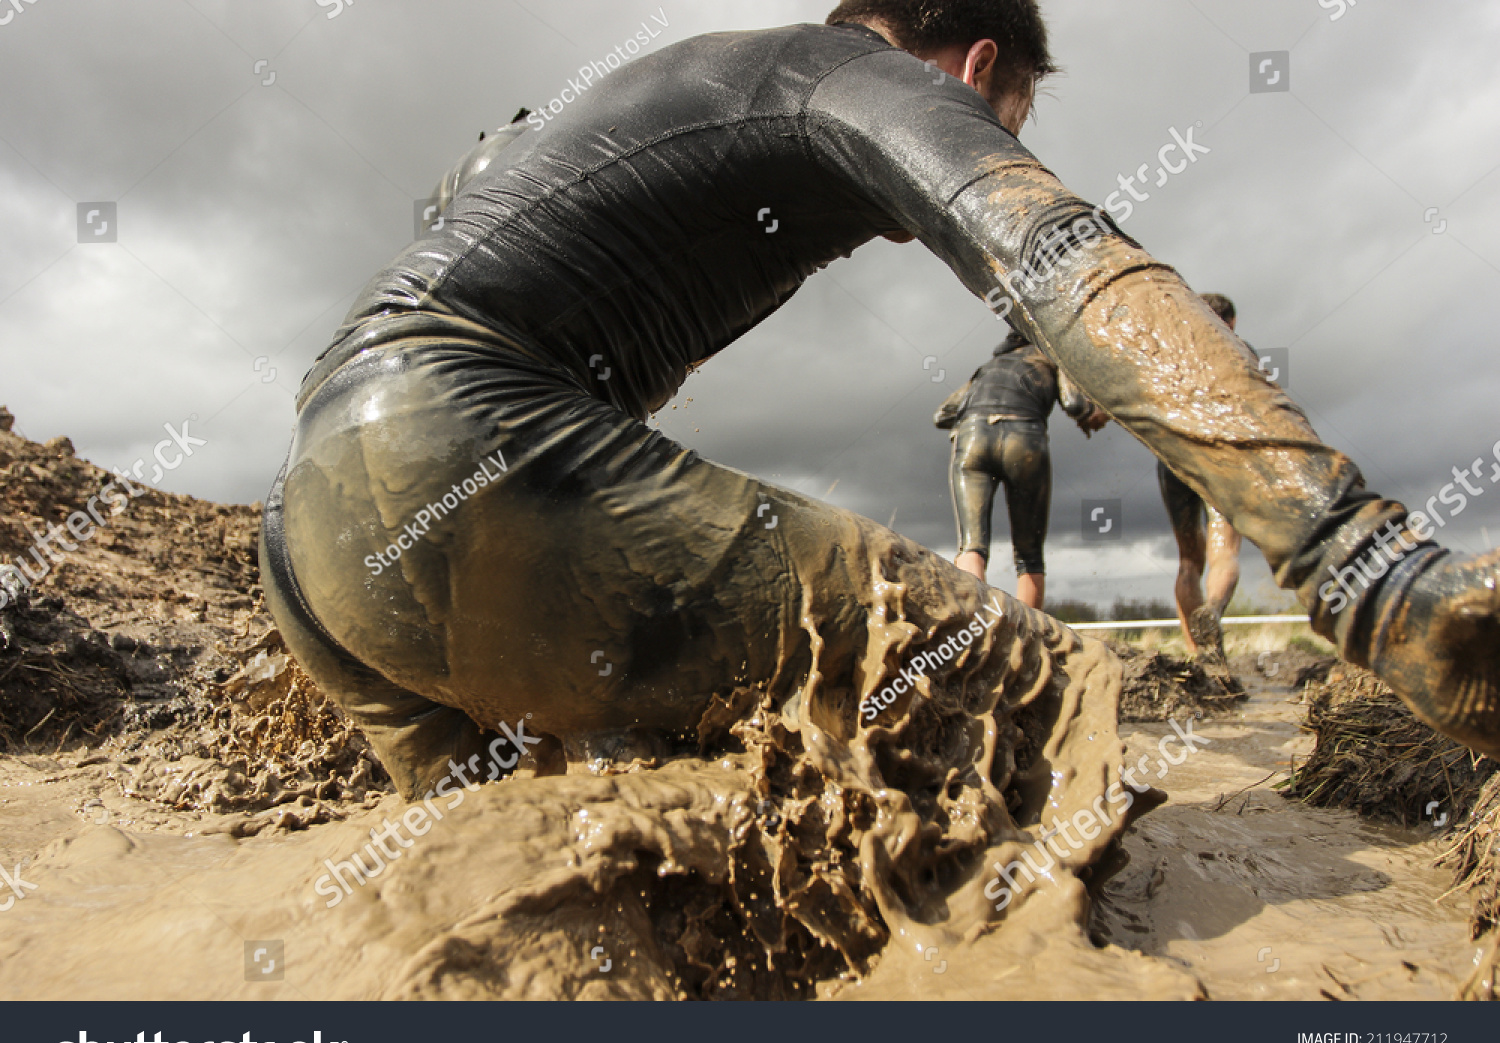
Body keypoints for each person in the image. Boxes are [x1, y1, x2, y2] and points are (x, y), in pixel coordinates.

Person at [261, 0, 1500, 807]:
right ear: (970, 70)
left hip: (308, 538)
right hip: (464, 443)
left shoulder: (673, 84)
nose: (990, 137)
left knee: (515, 860)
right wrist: (1371, 572)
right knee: (1026, 681)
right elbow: (1068, 258)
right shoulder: (845, 72)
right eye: (1002, 117)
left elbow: (457, 199)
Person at [937, 330, 1105, 606]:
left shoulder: (987, 368)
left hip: (973, 437)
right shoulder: (1049, 357)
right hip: (1024, 438)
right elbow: (1075, 403)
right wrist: (1093, 414)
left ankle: (977, 631)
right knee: (1029, 556)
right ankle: (1028, 640)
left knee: (972, 547)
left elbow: (942, 414)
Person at [1157, 293, 1244, 660]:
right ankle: (1214, 610)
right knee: (1224, 549)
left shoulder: (1168, 356)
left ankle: (1198, 655)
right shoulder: (1238, 351)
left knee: (1189, 561)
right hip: (1219, 454)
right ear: (1230, 323)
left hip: (1172, 455)